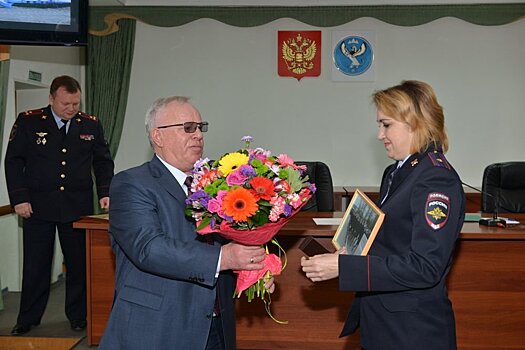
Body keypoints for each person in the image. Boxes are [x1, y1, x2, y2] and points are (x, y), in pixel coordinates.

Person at [98, 96, 273, 350]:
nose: (198, 135)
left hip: (215, 326)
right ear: (158, 136)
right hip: (159, 327)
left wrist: (251, 269)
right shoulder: (131, 183)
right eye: (188, 128)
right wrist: (224, 258)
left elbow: (227, 244)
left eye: (201, 127)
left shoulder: (216, 185)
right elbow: (149, 248)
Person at [301, 80, 465, 349]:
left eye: (386, 124)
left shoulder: (435, 179)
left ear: (415, 123)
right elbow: (390, 242)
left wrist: (344, 267)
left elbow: (425, 267)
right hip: (385, 324)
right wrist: (348, 253)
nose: (380, 135)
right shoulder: (398, 172)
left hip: (412, 333)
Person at [4, 75, 115, 335]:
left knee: (79, 265)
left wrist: (105, 191)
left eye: (75, 103)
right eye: (66, 103)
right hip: (37, 207)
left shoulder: (90, 124)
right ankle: (28, 318)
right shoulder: (29, 121)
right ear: (51, 98)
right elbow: (13, 161)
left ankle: (78, 316)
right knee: (35, 266)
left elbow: (102, 160)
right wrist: (19, 198)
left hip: (77, 207)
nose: (72, 108)